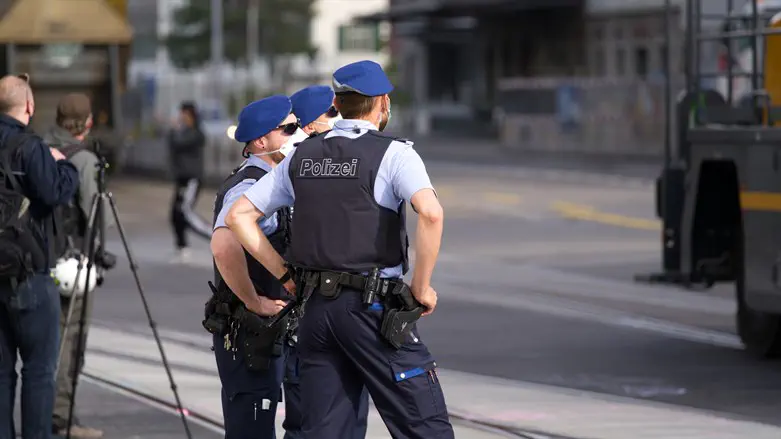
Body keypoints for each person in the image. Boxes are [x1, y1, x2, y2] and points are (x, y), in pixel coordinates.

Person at [225, 60, 455, 438]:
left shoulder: (302, 156)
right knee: (425, 426)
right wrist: (420, 288)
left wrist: (285, 274)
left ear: (338, 102)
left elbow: (239, 216)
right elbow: (430, 214)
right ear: (383, 102)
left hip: (317, 314)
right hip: (374, 311)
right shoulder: (395, 154)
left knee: (327, 432)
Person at [207, 95, 304, 439]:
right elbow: (223, 243)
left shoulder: (273, 181)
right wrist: (254, 302)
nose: (298, 135)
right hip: (250, 332)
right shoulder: (251, 186)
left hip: (270, 333)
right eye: (289, 128)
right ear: (262, 140)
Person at [286, 84, 370, 437]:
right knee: (310, 420)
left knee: (348, 414)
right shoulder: (299, 166)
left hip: (335, 306)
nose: (340, 120)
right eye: (332, 113)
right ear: (308, 125)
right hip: (306, 309)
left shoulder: (328, 162)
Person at [0, 74, 80, 439]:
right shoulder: (30, 147)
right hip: (30, 273)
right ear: (29, 107)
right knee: (38, 369)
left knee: (1, 373)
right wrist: (63, 164)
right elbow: (53, 193)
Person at [43, 92, 106, 439]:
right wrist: (99, 257)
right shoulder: (84, 161)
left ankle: (41, 415)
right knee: (71, 341)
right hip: (74, 266)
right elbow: (96, 216)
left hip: (37, 261)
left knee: (43, 346)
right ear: (89, 122)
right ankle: (62, 418)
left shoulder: (38, 148)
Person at [167, 101, 211, 263]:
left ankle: (214, 236)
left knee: (185, 212)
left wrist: (174, 130)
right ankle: (182, 247)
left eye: (184, 114)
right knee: (175, 214)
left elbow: (178, 143)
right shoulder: (183, 131)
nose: (181, 117)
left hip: (192, 179)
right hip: (181, 179)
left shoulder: (196, 133)